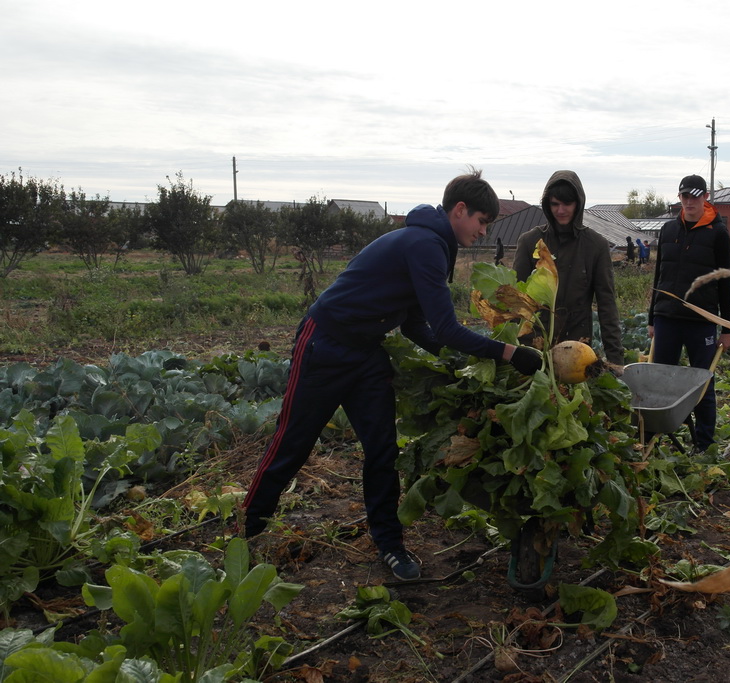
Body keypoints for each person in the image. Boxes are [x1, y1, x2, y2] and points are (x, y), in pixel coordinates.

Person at [242, 169, 543, 581]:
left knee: (382, 450)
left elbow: (416, 326)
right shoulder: (424, 244)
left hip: (367, 352)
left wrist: (458, 363)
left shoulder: (435, 244)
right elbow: (448, 327)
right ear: (460, 210)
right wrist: (509, 353)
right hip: (326, 344)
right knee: (293, 442)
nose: (483, 230)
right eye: (481, 221)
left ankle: (389, 545)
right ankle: (246, 531)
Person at [646, 174, 730, 453]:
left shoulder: (718, 234)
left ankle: (704, 444)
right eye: (685, 196)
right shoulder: (669, 230)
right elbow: (659, 275)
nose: (689, 202)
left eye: (695, 196)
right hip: (667, 318)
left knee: (702, 382)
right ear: (680, 198)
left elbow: (726, 281)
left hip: (701, 321)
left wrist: (727, 328)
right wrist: (652, 318)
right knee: (659, 381)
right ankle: (651, 438)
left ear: (705, 197)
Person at [513, 171, 625, 366]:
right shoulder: (530, 241)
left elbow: (607, 305)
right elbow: (515, 300)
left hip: (577, 346)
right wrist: (512, 351)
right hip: (534, 344)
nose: (561, 210)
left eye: (567, 204)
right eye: (555, 204)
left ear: (578, 204)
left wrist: (615, 360)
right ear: (547, 205)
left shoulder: (595, 245)